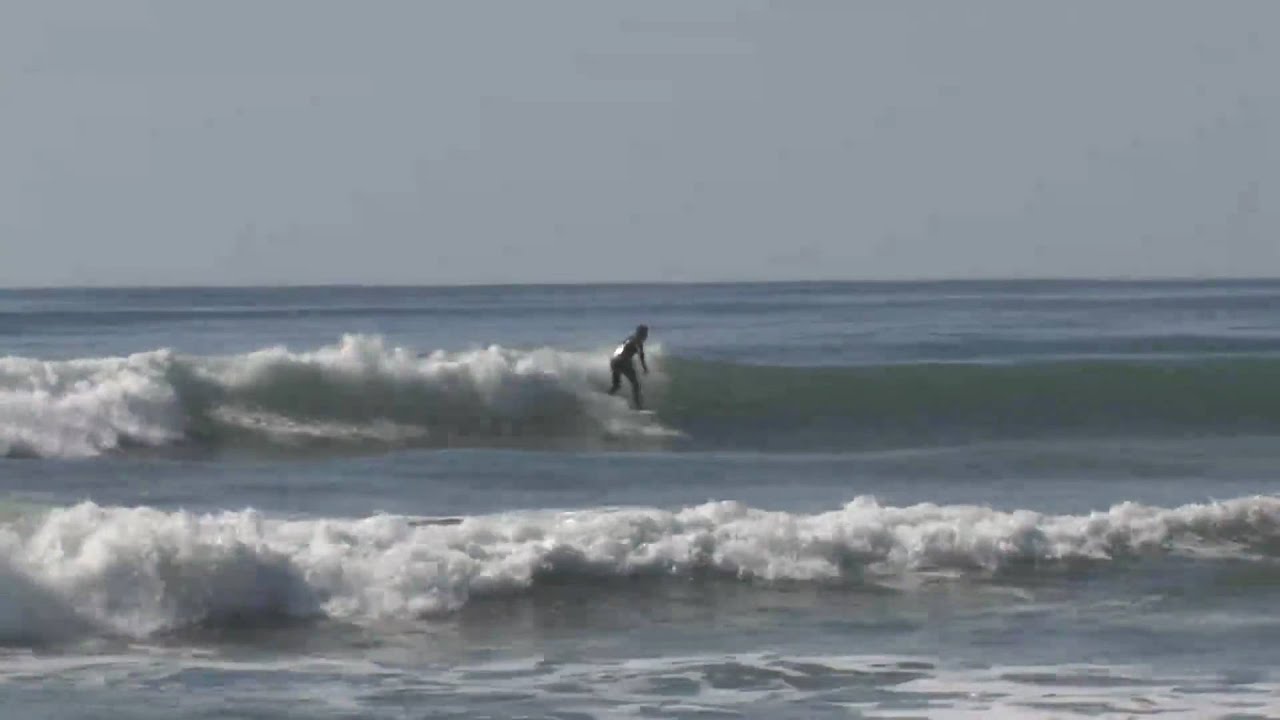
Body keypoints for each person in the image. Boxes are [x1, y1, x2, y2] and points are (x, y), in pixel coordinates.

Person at [608, 324, 649, 409]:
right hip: (622, 361)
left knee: (616, 386)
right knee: (636, 384)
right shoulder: (638, 340)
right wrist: (644, 367)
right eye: (645, 333)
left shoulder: (628, 339)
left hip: (614, 361)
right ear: (642, 333)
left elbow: (622, 350)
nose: (646, 335)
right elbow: (641, 355)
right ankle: (638, 407)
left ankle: (605, 398)